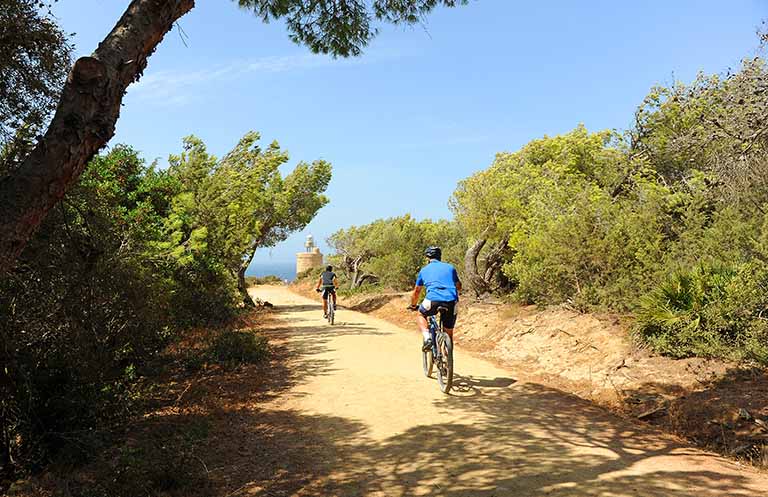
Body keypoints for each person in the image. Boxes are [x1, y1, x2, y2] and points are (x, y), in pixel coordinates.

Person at [408, 246, 462, 351]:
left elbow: (417, 291)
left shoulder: (424, 270)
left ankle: (427, 338)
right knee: (449, 332)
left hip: (432, 300)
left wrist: (413, 305)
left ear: (427, 258)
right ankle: (448, 355)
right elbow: (459, 286)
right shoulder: (450, 268)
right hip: (451, 301)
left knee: (421, 314)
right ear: (440, 256)